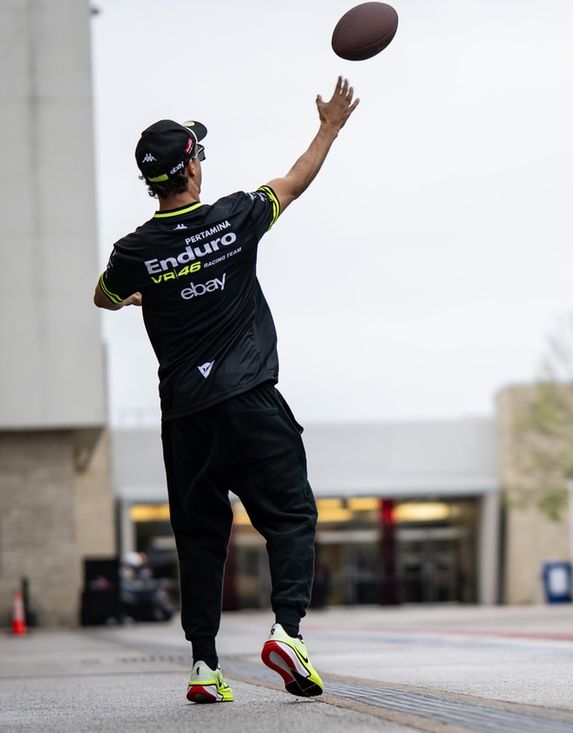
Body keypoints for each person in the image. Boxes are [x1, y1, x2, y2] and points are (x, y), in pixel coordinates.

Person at [93, 77, 359, 703]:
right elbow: (295, 180)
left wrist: (140, 290)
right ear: (190, 165)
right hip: (250, 400)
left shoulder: (135, 249)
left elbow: (102, 295)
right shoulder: (235, 217)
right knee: (292, 517)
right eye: (199, 154)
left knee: (199, 538)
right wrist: (330, 127)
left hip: (186, 418)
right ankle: (287, 632)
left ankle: (205, 668)